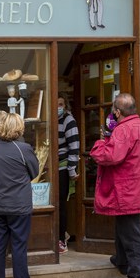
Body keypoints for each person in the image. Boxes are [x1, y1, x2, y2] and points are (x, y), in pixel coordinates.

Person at [89, 93, 140, 278]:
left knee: (131, 233)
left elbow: (110, 156)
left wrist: (100, 143)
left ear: (118, 112)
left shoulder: (124, 130)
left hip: (127, 189)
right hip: (138, 188)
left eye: (114, 112)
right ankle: (121, 260)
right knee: (124, 227)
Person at [0, 113, 40, 278]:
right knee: (18, 247)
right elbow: (34, 172)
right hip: (19, 205)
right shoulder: (24, 148)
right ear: (19, 128)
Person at [57, 93, 79, 254]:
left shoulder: (68, 121)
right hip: (50, 167)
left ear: (65, 106)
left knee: (60, 204)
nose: (58, 107)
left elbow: (74, 148)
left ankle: (60, 240)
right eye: (56, 104)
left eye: (61, 104)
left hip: (62, 167)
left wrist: (71, 170)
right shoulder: (50, 119)